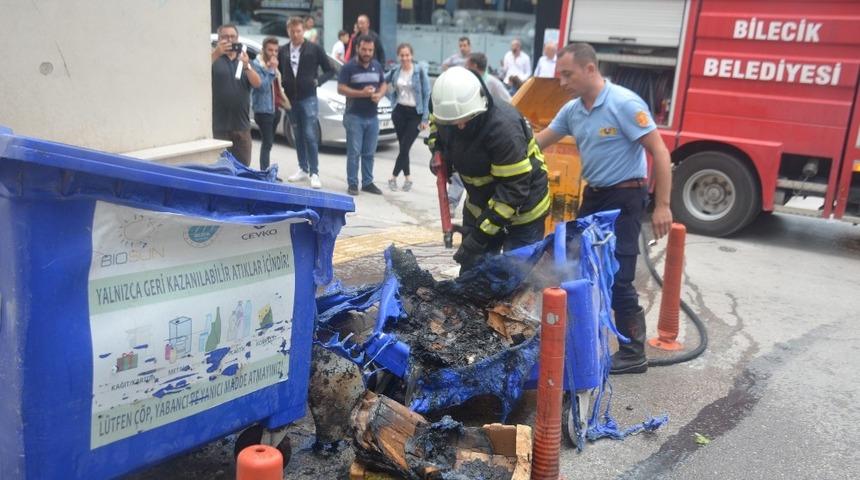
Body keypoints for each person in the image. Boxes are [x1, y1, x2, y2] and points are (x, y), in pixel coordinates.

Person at [535, 43, 673, 375]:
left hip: (626, 197)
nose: (563, 82)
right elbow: (539, 141)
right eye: (560, 75)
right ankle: (584, 341)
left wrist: (663, 205)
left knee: (619, 278)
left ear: (590, 70)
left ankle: (632, 352)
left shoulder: (623, 103)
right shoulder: (572, 111)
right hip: (593, 197)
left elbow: (660, 151)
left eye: (568, 74)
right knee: (581, 269)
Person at [428, 66, 550, 272]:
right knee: (473, 274)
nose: (459, 127)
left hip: (524, 210)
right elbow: (435, 129)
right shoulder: (444, 115)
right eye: (451, 123)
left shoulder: (504, 130)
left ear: (479, 107)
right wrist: (438, 152)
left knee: (515, 279)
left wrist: (478, 237)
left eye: (464, 121)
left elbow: (513, 191)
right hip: (480, 203)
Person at [278, 16, 335, 189]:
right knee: (298, 134)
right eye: (292, 31)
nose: (295, 34)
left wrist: (317, 81)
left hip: (308, 98)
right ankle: (303, 168)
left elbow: (330, 69)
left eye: (298, 31)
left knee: (310, 135)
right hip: (290, 100)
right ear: (288, 31)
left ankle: (314, 172)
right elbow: (279, 72)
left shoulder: (314, 48)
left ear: (304, 31)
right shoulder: (283, 50)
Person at [338, 35, 387, 196]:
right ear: (358, 48)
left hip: (372, 117)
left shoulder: (377, 66)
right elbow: (341, 88)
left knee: (369, 153)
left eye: (370, 50)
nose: (367, 53)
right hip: (354, 116)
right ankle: (353, 184)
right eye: (364, 49)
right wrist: (362, 93)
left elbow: (384, 84)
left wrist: (379, 94)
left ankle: (367, 182)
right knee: (354, 152)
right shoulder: (349, 67)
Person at [211, 24, 261, 167]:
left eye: (233, 37)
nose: (229, 40)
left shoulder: (244, 61)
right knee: (219, 168)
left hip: (242, 128)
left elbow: (257, 83)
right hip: (219, 128)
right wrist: (216, 53)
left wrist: (246, 66)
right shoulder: (214, 59)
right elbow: (200, 74)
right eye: (225, 37)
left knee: (243, 168)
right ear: (219, 39)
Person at [385, 43, 430, 192]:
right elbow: (382, 80)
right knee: (404, 147)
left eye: (407, 55)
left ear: (412, 55)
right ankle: (408, 177)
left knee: (405, 147)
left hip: (415, 115)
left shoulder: (419, 71)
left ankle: (392, 177)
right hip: (399, 113)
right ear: (399, 56)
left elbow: (426, 94)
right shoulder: (396, 71)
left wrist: (425, 119)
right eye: (402, 55)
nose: (405, 58)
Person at [251, 37, 290, 172]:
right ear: (263, 50)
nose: (273, 53)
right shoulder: (257, 64)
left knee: (269, 143)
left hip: (275, 108)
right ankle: (265, 172)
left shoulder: (274, 64)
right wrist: (271, 69)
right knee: (267, 143)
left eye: (276, 50)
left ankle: (266, 171)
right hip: (263, 110)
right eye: (270, 50)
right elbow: (262, 86)